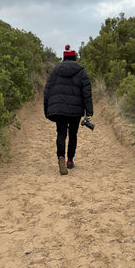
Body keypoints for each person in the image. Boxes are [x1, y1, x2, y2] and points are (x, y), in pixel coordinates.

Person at [44, 44, 94, 175]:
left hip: (59, 109)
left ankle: (61, 157)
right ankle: (70, 161)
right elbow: (87, 93)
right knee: (73, 134)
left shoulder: (55, 71)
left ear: (64, 58)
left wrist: (47, 109)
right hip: (75, 111)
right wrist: (89, 113)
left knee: (61, 133)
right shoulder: (81, 72)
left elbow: (47, 91)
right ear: (75, 57)